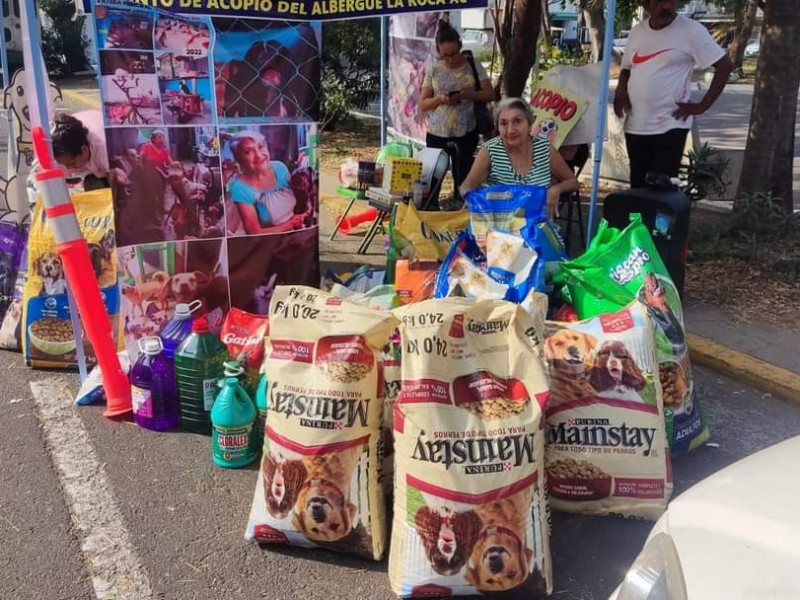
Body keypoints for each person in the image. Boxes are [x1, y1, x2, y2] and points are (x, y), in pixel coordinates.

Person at [613, 0, 732, 188]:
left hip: (670, 124)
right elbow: (627, 68)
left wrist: (702, 106)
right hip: (636, 124)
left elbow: (724, 65)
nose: (667, 6)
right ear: (646, 4)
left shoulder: (692, 31)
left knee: (662, 189)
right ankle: (638, 219)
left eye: (672, 1)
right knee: (638, 187)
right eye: (661, 1)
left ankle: (661, 219)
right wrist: (620, 92)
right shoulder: (637, 32)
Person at [460, 98, 579, 219]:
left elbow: (573, 182)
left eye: (517, 121)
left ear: (529, 124)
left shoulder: (545, 149)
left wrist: (557, 189)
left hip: (536, 229)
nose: (510, 130)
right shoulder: (489, 151)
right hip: (497, 229)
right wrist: (472, 198)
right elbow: (466, 187)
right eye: (504, 123)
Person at [419, 20, 494, 191]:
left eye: (454, 53)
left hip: (466, 132)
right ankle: (432, 210)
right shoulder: (434, 70)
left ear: (460, 46)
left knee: (463, 179)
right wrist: (440, 99)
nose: (451, 59)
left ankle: (460, 208)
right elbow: (423, 104)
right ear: (438, 50)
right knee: (433, 179)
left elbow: (490, 94)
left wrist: (468, 94)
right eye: (445, 55)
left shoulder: (473, 66)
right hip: (437, 133)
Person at [226, 130, 301, 235]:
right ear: (239, 159)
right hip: (270, 242)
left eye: (261, 147)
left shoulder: (280, 167)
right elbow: (254, 232)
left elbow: (298, 199)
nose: (259, 155)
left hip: (297, 231)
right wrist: (289, 225)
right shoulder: (240, 188)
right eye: (248, 152)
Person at [50, 111, 109, 190]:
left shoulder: (106, 152)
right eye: (65, 165)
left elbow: (118, 182)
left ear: (84, 150)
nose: (68, 168)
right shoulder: (53, 152)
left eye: (72, 164)